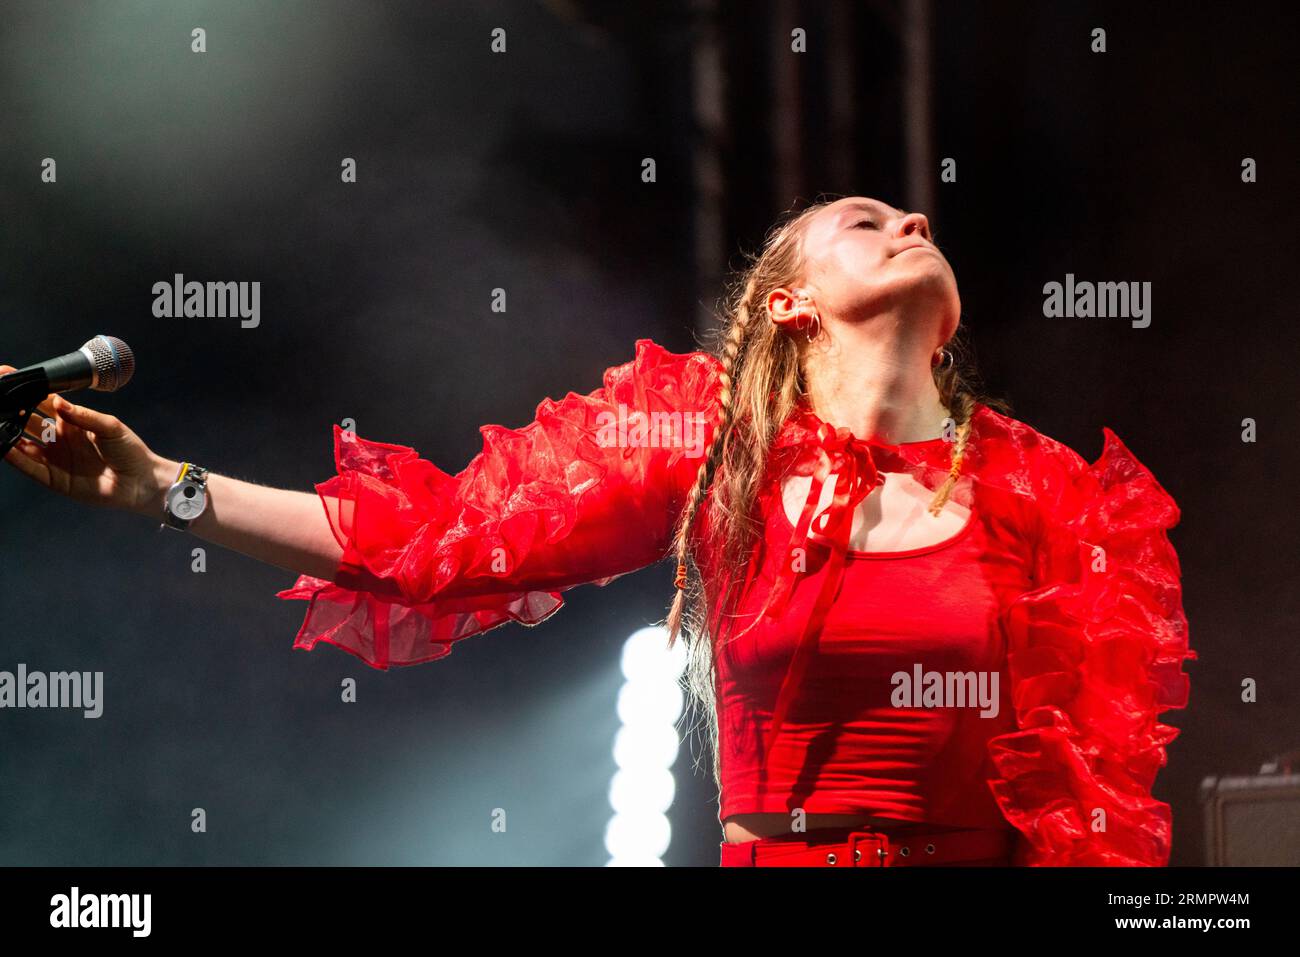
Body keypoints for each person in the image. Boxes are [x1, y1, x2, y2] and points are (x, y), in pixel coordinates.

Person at [1, 195, 1195, 867]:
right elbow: (432, 542)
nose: (914, 217)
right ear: (786, 304)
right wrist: (165, 486)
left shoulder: (1053, 494)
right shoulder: (704, 444)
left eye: (917, 219)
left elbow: (1090, 804)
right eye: (864, 220)